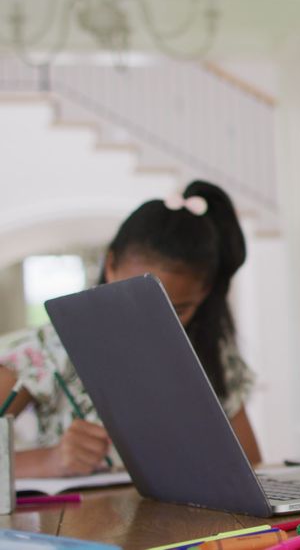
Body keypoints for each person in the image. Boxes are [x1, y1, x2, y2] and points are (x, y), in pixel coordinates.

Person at [0, 180, 261, 478]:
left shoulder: (212, 354)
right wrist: (51, 460)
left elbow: (251, 467)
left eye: (177, 310)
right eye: (135, 297)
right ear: (110, 265)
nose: (151, 321)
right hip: (77, 522)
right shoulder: (45, 350)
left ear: (204, 295)